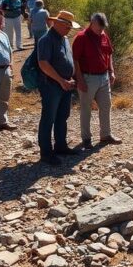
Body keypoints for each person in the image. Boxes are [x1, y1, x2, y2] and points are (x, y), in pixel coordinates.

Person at [37, 10, 82, 165]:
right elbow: (43, 63)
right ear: (57, 23)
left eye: (70, 26)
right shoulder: (46, 40)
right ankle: (46, 153)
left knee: (62, 117)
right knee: (48, 119)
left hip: (65, 85)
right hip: (51, 86)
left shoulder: (64, 39)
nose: (69, 29)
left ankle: (60, 146)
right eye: (67, 26)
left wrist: (68, 79)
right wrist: (61, 80)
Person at [73, 12, 121, 149]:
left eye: (103, 28)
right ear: (92, 23)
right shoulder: (81, 37)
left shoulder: (104, 35)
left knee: (106, 106)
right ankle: (86, 138)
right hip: (88, 78)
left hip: (104, 77)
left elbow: (109, 54)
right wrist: (80, 79)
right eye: (100, 27)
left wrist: (111, 71)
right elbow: (75, 60)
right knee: (86, 109)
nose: (101, 30)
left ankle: (105, 135)